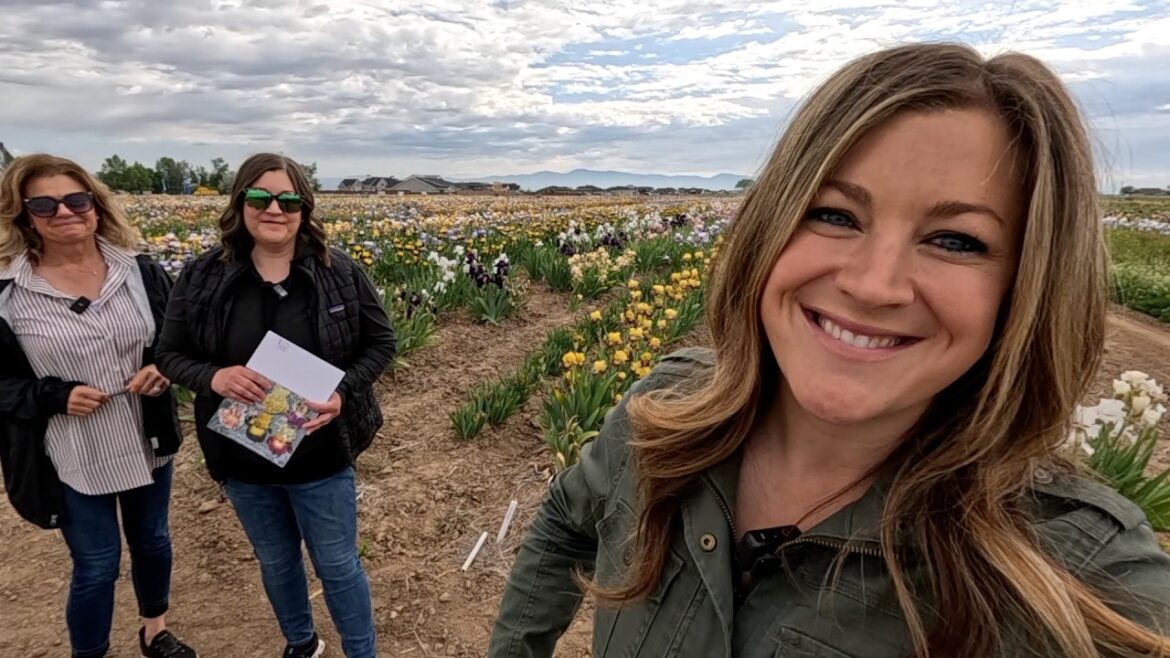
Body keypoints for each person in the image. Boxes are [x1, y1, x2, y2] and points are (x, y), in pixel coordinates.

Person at [488, 42, 1170, 657]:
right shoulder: (663, 413)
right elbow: (562, 524)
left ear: (1027, 285)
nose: (873, 285)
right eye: (834, 214)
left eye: (955, 240)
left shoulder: (1068, 577)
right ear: (770, 227)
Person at [156, 152, 396, 658]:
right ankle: (300, 643)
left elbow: (381, 344)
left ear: (304, 208)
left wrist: (343, 391)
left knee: (337, 564)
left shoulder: (339, 272)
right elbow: (169, 354)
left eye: (288, 199)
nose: (274, 209)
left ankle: (362, 652)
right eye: (260, 197)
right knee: (277, 561)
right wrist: (214, 376)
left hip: (322, 449)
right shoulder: (202, 276)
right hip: (243, 453)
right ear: (240, 203)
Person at [0, 155, 197, 658]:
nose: (64, 211)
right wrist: (54, 394)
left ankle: (155, 630)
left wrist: (163, 367)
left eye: (76, 199)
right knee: (97, 564)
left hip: (144, 434)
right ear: (23, 215)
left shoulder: (141, 270)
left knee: (153, 541)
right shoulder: (9, 292)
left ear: (95, 204)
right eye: (44, 204)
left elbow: (179, 341)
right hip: (71, 449)